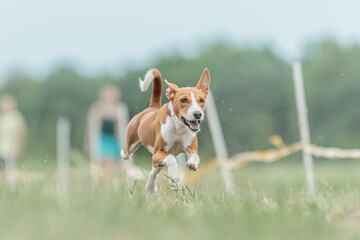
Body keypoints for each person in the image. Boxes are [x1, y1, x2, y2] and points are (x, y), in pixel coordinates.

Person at [84, 85, 129, 180]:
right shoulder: (96, 108)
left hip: (115, 141)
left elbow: (124, 127)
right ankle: (104, 182)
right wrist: (87, 143)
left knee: (114, 165)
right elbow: (91, 127)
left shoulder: (121, 108)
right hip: (102, 140)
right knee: (103, 163)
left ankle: (111, 182)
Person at [0, 94, 27, 184]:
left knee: (10, 169)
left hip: (11, 149)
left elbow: (21, 134)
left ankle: (12, 185)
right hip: (2, 149)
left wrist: (19, 148)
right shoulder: (3, 117)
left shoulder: (16, 117)